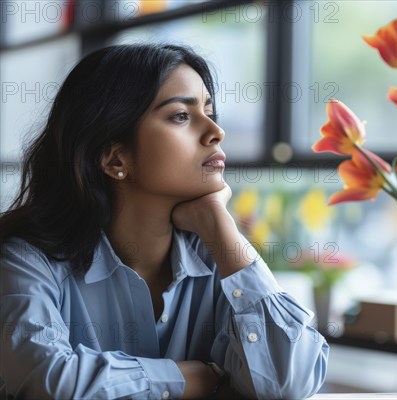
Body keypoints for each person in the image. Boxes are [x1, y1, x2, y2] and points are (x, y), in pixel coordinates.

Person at [0, 43, 329, 399]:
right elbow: (49, 384)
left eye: (209, 111)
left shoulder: (220, 258)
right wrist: (198, 378)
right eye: (180, 116)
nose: (216, 132)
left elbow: (290, 382)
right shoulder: (25, 262)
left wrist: (220, 226)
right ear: (115, 160)